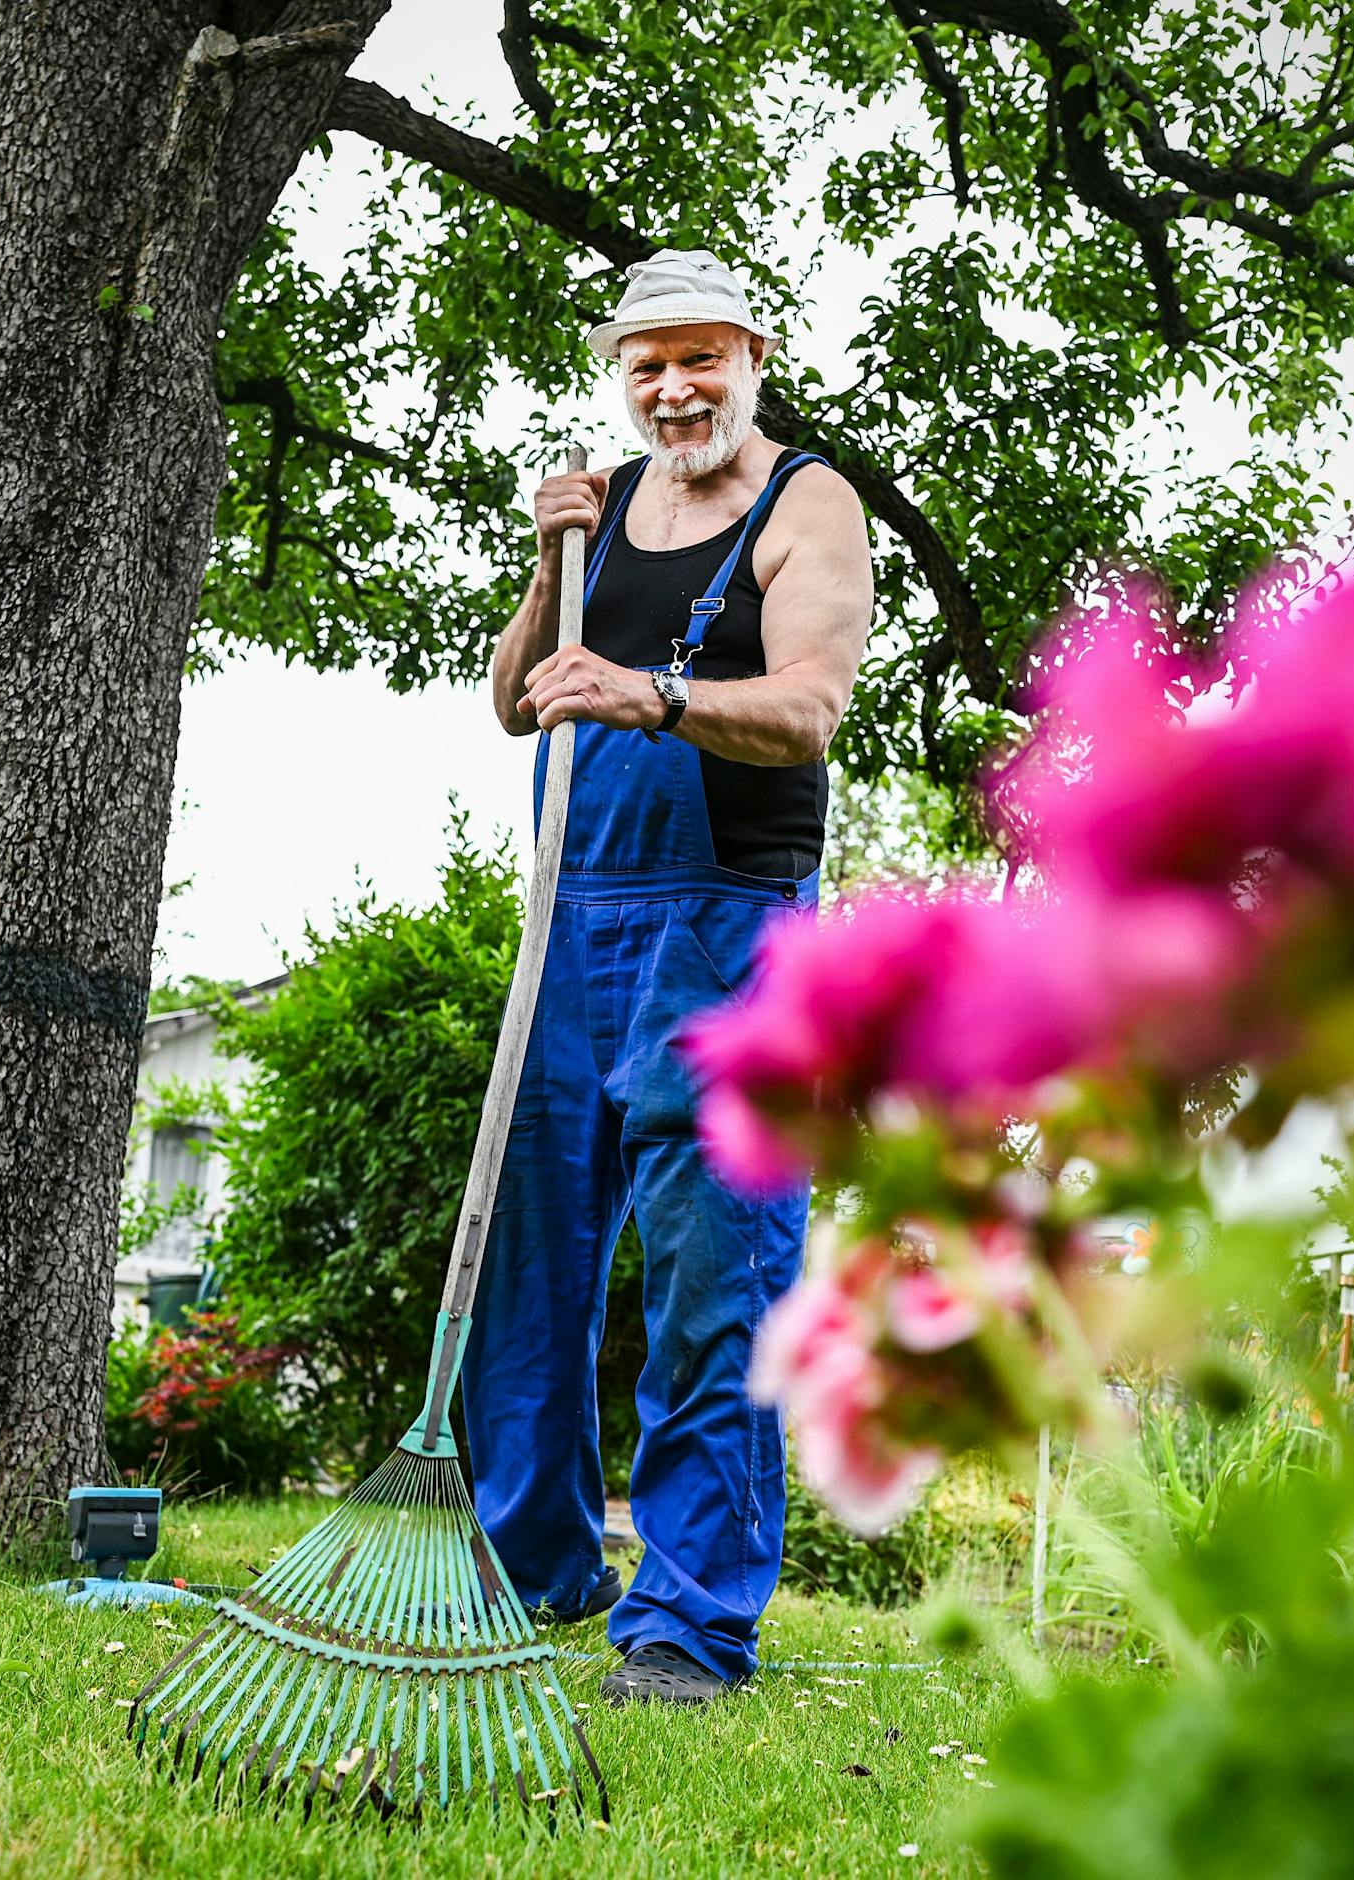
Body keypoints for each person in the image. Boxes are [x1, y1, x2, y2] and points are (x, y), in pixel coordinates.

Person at [465, 249, 875, 1705]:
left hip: (729, 934)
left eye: (699, 357)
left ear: (752, 356)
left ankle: (689, 1625)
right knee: (528, 1270)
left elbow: (811, 710)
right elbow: (521, 701)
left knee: (717, 1284)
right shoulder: (605, 512)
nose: (673, 386)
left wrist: (653, 693)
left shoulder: (805, 502)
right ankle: (534, 1569)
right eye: (646, 363)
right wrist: (543, 566)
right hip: (569, 922)